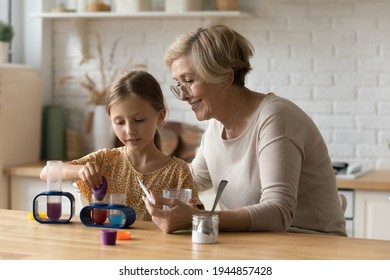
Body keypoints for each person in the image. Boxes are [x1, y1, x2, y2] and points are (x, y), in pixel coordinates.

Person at [143, 24, 347, 236]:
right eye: (178, 84)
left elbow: (279, 211)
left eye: (189, 81)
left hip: (313, 248)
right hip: (260, 246)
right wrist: (121, 172)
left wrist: (198, 218)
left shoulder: (276, 117)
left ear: (225, 78)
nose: (183, 95)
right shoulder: (216, 127)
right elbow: (188, 180)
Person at [40, 70, 203, 221]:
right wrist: (80, 170)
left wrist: (187, 214)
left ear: (160, 117)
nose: (129, 130)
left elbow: (195, 218)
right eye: (119, 122)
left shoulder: (178, 172)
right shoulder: (104, 160)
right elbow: (47, 172)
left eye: (139, 120)